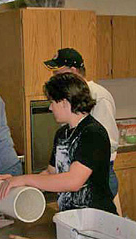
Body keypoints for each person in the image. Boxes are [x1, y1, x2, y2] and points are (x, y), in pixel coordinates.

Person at [0, 72, 117, 215]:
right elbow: (50, 173)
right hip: (70, 218)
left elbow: (73, 181)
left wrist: (25, 179)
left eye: (52, 102)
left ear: (64, 102)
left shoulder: (93, 133)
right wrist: (18, 182)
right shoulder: (62, 134)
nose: (50, 108)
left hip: (95, 222)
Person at [44, 48, 119, 198]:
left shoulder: (99, 96)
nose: (55, 78)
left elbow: (106, 141)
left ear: (73, 71)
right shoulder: (64, 129)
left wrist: (79, 165)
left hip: (96, 174)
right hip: (75, 170)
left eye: (58, 73)